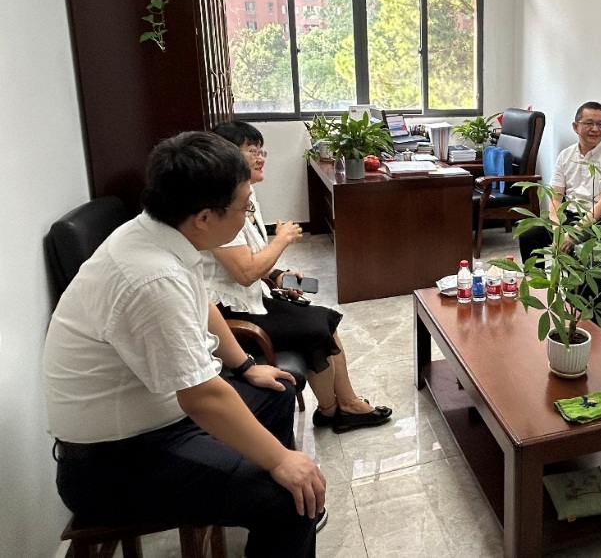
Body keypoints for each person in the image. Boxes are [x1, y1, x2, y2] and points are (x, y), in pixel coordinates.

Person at [44, 132, 326, 558]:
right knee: (288, 501)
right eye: (244, 208)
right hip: (116, 462)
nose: (248, 216)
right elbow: (201, 398)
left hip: (155, 421)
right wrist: (280, 461)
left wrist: (247, 365)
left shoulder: (158, 234)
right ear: (205, 217)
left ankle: (262, 505)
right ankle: (277, 506)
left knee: (278, 390)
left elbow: (202, 304)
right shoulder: (152, 277)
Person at [203, 121, 392, 433]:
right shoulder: (220, 206)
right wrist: (282, 239)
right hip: (227, 312)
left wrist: (279, 276)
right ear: (226, 158)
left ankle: (343, 404)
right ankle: (335, 409)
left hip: (249, 298)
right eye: (252, 151)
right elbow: (245, 272)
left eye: (262, 151)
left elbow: (253, 260)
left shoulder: (246, 194)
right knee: (317, 327)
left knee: (324, 320)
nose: (261, 158)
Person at [517, 101, 601, 262]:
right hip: (569, 215)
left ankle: (572, 280)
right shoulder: (565, 155)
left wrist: (572, 233)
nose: (595, 129)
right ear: (575, 127)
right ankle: (536, 278)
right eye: (589, 123)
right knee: (528, 235)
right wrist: (557, 228)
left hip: (600, 219)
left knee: (573, 248)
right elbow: (556, 198)